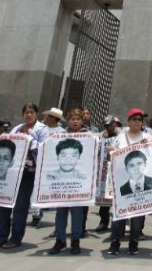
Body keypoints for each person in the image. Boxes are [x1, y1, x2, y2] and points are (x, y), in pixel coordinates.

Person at [0, 102, 48, 250]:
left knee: (20, 207)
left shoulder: (42, 130)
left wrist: (31, 141)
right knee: (1, 204)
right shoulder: (17, 128)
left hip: (28, 173)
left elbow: (45, 148)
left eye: (31, 112)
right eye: (26, 112)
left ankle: (15, 238)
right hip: (12, 172)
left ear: (36, 114)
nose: (28, 115)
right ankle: (0, 237)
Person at [107, 108, 152, 256]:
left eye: (139, 120)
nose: (137, 122)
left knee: (137, 214)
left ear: (142, 122)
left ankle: (134, 242)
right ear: (129, 121)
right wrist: (111, 150)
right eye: (134, 119)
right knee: (119, 213)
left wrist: (149, 146)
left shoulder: (147, 137)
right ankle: (115, 242)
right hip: (122, 180)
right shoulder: (121, 136)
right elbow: (112, 153)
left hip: (140, 181)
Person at [49, 108, 90, 255]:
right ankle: (60, 239)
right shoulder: (60, 136)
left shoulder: (89, 136)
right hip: (61, 182)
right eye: (72, 119)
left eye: (78, 119)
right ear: (67, 120)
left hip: (78, 183)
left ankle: (75, 240)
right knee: (60, 212)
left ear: (82, 121)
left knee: (77, 213)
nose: (75, 121)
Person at [95, 115, 121, 232]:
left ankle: (120, 223)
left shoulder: (121, 134)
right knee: (104, 197)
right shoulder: (101, 136)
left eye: (110, 125)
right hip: (105, 170)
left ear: (115, 124)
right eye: (106, 125)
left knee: (119, 198)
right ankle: (103, 221)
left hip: (118, 169)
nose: (109, 127)